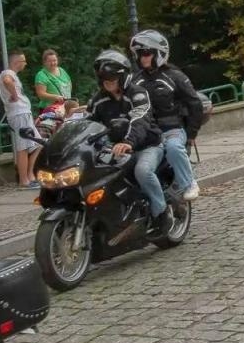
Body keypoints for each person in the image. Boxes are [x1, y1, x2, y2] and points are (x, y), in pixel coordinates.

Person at [87, 50, 169, 223]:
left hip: (148, 146)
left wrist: (128, 142)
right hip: (116, 149)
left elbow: (140, 119)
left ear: (123, 77)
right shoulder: (98, 100)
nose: (108, 83)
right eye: (104, 79)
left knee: (143, 171)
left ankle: (161, 213)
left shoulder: (137, 94)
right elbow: (88, 123)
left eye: (112, 79)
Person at [129, 30, 203, 202]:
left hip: (172, 130)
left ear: (159, 53)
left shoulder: (174, 76)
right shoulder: (134, 80)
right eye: (139, 54)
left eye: (147, 53)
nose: (143, 58)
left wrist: (192, 133)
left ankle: (189, 183)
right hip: (146, 133)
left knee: (174, 148)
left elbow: (195, 104)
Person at [0, 50, 37, 188]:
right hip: (18, 113)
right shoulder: (7, 73)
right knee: (23, 147)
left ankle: (30, 174)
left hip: (24, 112)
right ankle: (24, 180)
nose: (25, 64)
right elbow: (7, 81)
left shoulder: (14, 75)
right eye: (23, 61)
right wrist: (14, 94)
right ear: (16, 62)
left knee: (38, 144)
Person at [33, 49, 76, 118]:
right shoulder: (41, 75)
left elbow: (69, 83)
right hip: (50, 110)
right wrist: (56, 97)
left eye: (54, 60)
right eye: (50, 61)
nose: (53, 63)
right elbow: (41, 94)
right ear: (44, 62)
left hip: (65, 108)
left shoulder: (62, 70)